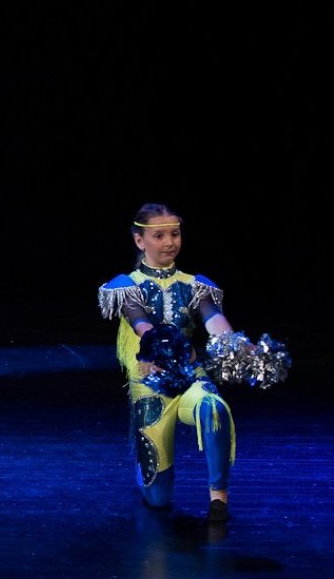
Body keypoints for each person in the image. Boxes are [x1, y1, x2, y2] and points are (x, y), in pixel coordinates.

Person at [98, 204, 240, 522]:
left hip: (190, 374)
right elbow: (141, 324)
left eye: (174, 234)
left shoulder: (194, 285)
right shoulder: (127, 286)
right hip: (151, 380)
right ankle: (145, 473)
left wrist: (236, 344)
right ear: (140, 241)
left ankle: (218, 497)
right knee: (158, 500)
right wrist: (158, 347)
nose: (169, 242)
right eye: (159, 236)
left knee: (214, 408)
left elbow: (215, 321)